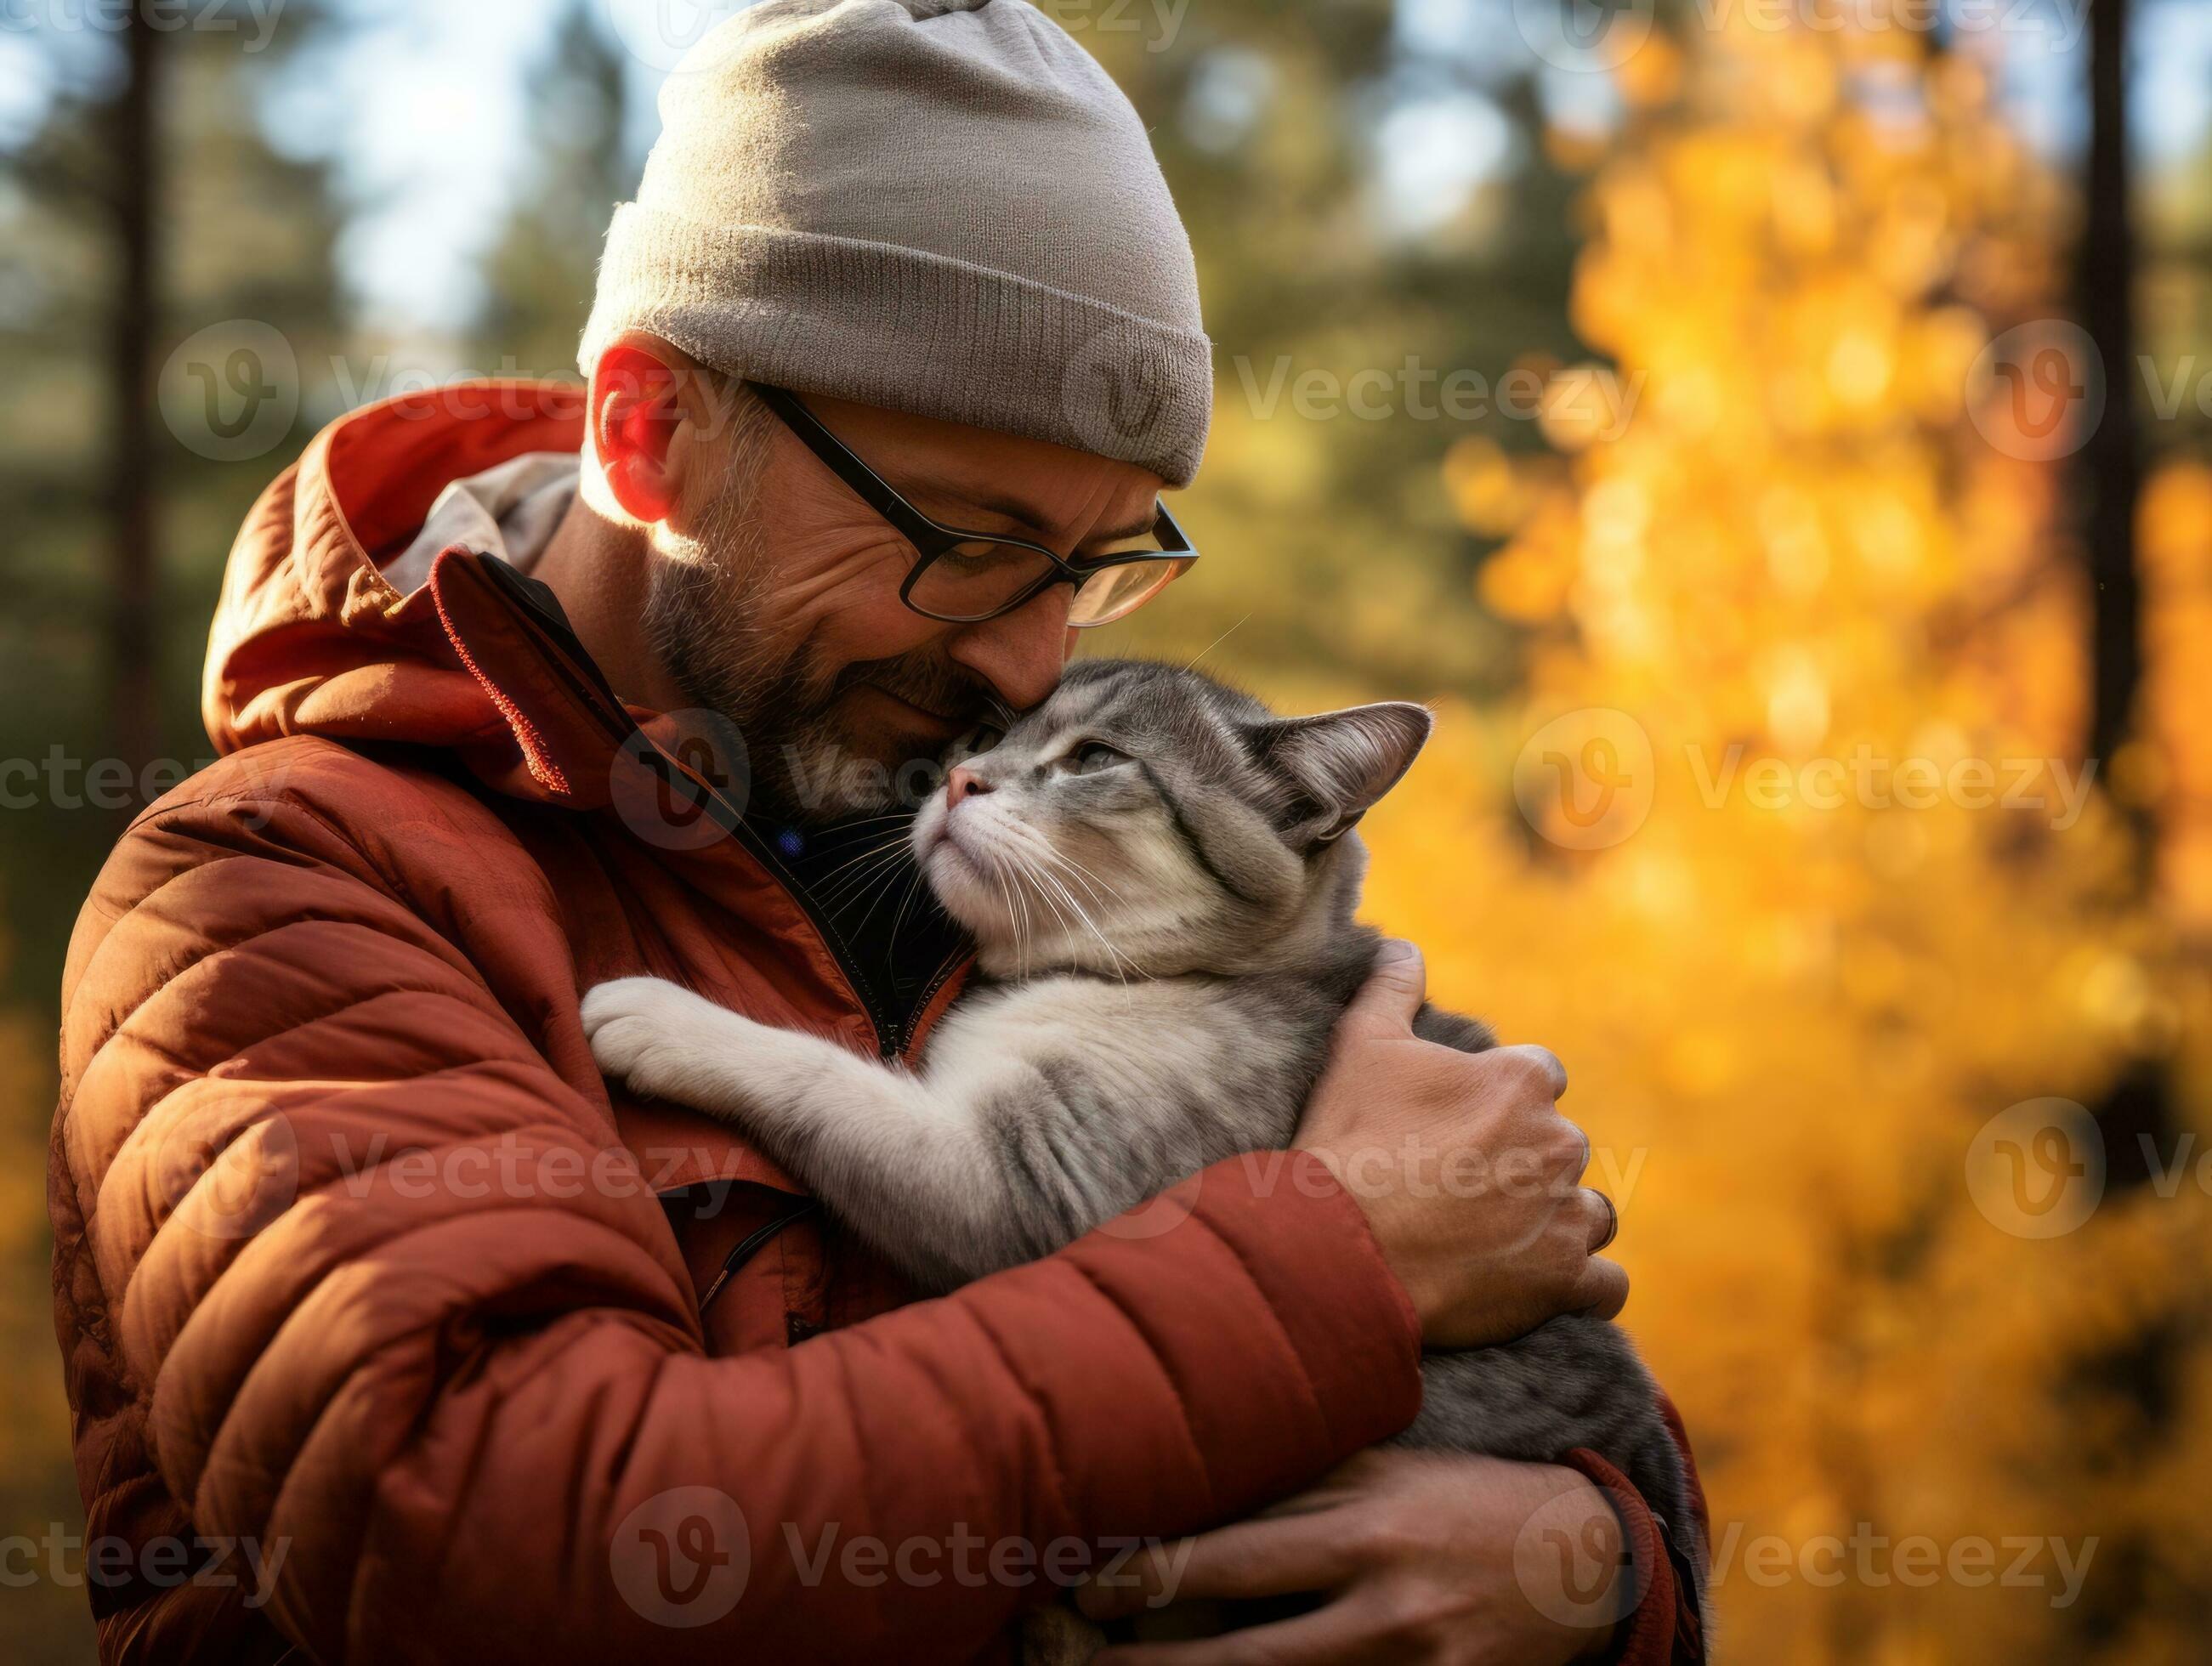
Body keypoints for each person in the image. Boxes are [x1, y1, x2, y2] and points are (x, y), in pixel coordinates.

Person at [48, 2, 1702, 1660]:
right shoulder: (270, 896)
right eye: (964, 543)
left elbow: (1520, 1414)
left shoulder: (980, 820)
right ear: (647, 431)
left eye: (1092, 565)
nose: (1029, 662)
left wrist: (1595, 1570)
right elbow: (502, 1551)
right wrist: (1320, 1279)